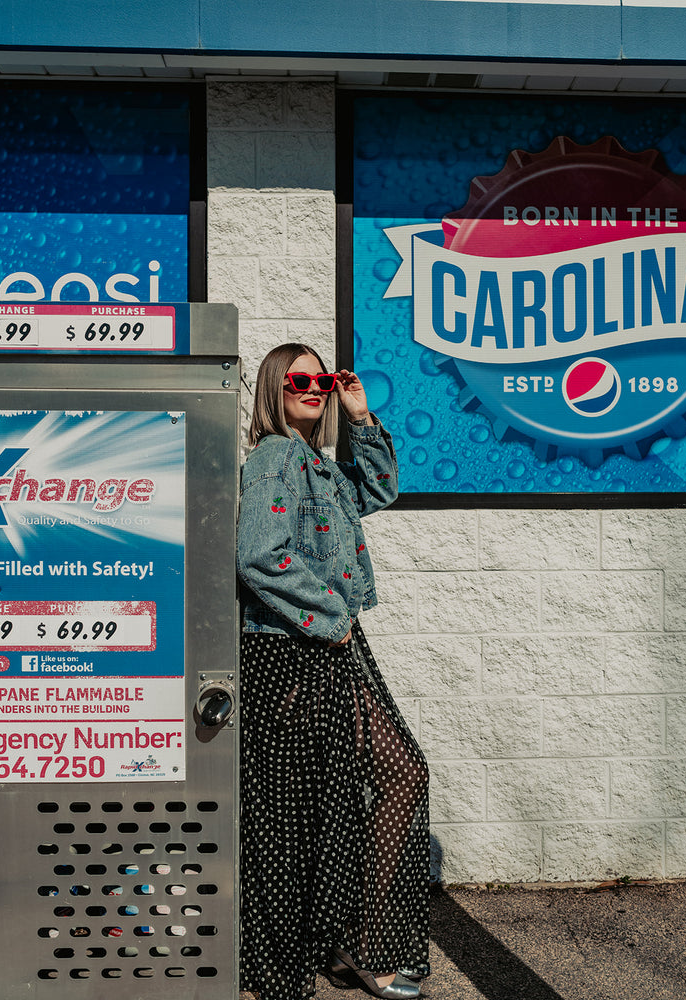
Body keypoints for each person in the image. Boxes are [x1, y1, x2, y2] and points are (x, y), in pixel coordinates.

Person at [237, 343, 430, 1000]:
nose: (314, 388)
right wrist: (330, 617)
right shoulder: (273, 460)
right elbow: (260, 557)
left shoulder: (314, 461)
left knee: (359, 791)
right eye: (301, 380)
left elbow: (379, 488)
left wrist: (361, 417)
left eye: (322, 379)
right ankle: (282, 969)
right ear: (274, 388)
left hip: (328, 646)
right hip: (291, 650)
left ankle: (356, 942)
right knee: (291, 816)